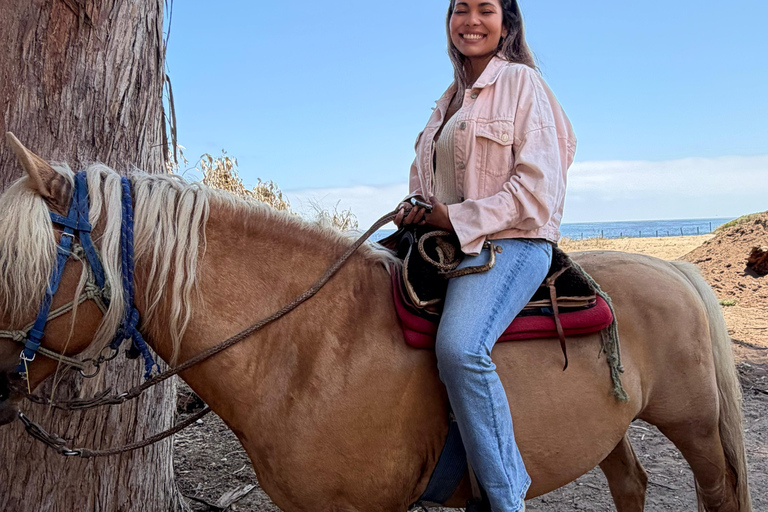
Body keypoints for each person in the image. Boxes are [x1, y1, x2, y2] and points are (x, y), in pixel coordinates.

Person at [393, 1, 576, 510]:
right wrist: (417, 208)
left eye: (486, 9)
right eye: (460, 10)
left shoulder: (522, 84)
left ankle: (505, 497)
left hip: (511, 242)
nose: (471, 20)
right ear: (449, 23)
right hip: (445, 245)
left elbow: (538, 189)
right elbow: (426, 182)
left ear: (507, 24)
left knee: (459, 348)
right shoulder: (447, 101)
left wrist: (453, 217)